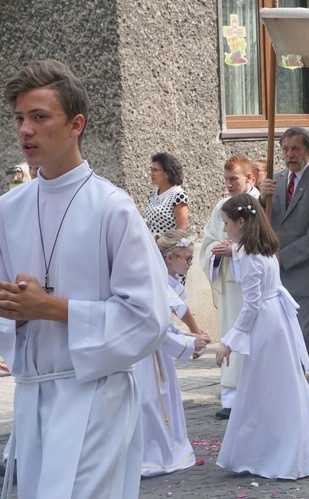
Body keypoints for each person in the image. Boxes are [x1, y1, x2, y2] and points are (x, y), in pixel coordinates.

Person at [0, 59, 169, 497]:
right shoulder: (9, 209)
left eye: (39, 117)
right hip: (34, 395)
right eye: (19, 118)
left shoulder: (112, 208)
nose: (25, 131)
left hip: (95, 396)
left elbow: (148, 317)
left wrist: (50, 309)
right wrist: (15, 315)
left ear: (76, 124)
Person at [215, 194, 309, 479]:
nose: (224, 229)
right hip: (278, 319)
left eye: (226, 223)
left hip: (266, 324)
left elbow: (251, 305)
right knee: (283, 384)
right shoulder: (264, 250)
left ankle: (273, 452)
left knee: (264, 388)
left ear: (241, 222)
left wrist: (228, 342)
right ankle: (293, 445)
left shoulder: (247, 255)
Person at [258, 127, 309, 420]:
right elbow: (261, 224)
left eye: (295, 149)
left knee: (306, 334)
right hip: (275, 276)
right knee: (279, 338)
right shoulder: (275, 181)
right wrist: (259, 198)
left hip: (304, 272)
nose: (290, 155)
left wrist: (282, 258)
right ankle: (288, 395)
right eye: (285, 149)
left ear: (308, 150)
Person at [137, 230, 211, 477]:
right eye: (187, 258)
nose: (190, 263)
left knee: (163, 402)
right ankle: (152, 456)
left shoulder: (161, 279)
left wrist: (189, 336)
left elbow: (166, 325)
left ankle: (165, 450)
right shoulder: (153, 281)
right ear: (170, 258)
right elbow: (155, 328)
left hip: (156, 353)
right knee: (149, 402)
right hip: (144, 355)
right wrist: (190, 342)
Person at [199, 154, 260, 419]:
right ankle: (231, 400)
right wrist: (217, 249)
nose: (229, 184)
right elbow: (208, 240)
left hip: (248, 284)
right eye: (226, 179)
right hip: (228, 284)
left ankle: (255, 395)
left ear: (250, 178)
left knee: (251, 336)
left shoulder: (261, 203)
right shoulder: (222, 205)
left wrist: (235, 250)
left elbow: (264, 243)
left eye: (234, 179)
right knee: (229, 334)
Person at [146, 152, 189, 235]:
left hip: (168, 246)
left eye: (155, 170)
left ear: (167, 173)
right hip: (152, 245)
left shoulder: (178, 196)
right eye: (151, 169)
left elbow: (182, 230)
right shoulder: (152, 194)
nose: (151, 174)